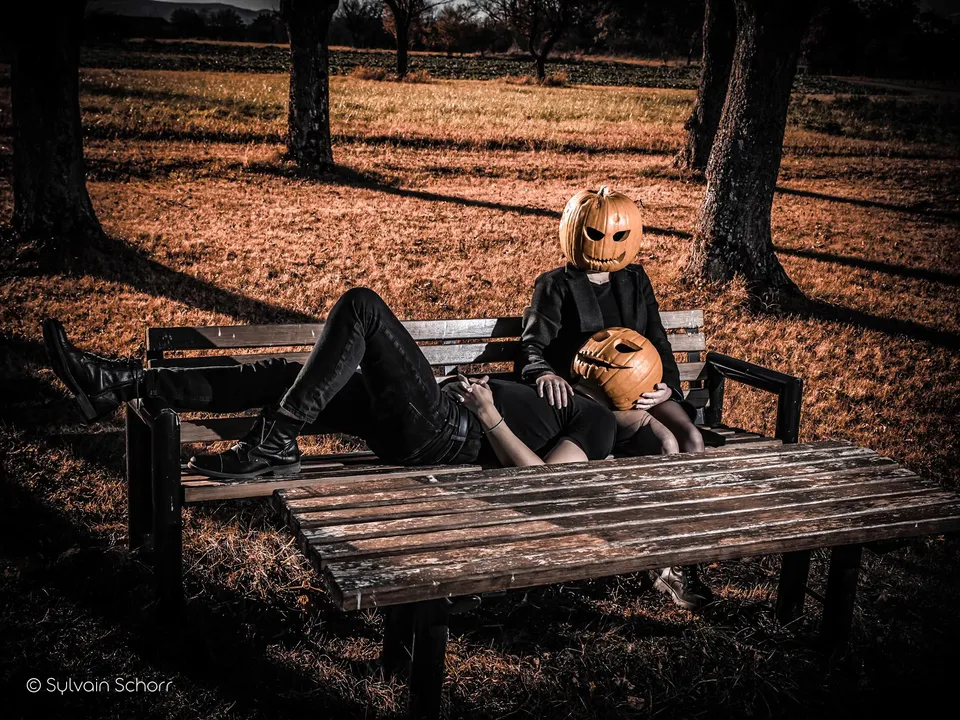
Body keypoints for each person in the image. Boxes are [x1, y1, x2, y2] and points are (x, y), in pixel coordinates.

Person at [43, 287, 617, 478]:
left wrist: (489, 414)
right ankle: (119, 382)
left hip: (445, 433)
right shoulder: (562, 390)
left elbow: (545, 482)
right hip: (421, 417)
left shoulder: (598, 420)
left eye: (616, 359)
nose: (598, 355)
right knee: (281, 376)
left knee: (363, 307)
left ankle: (275, 439)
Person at [517, 186, 712, 611]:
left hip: (645, 388)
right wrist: (545, 372)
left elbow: (657, 338)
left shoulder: (635, 279)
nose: (607, 243)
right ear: (573, 232)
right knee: (666, 444)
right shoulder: (555, 285)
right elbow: (532, 347)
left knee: (692, 440)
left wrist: (669, 388)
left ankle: (683, 555)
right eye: (595, 233)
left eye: (620, 235)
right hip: (595, 397)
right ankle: (663, 564)